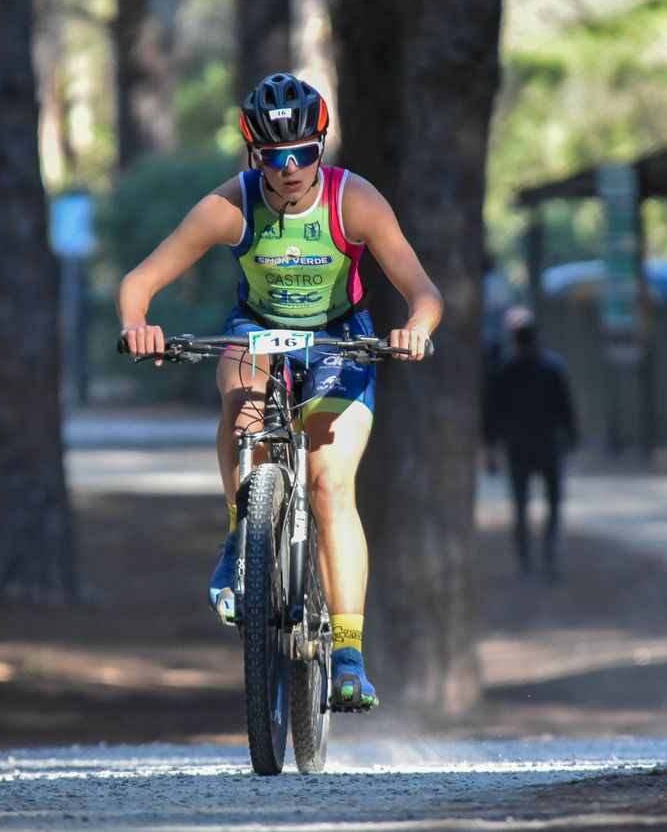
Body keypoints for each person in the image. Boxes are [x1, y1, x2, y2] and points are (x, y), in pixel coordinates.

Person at [118, 72, 441, 711]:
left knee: (327, 484)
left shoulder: (356, 201)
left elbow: (424, 291)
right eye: (274, 156)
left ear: (322, 145)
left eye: (304, 154)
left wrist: (414, 330)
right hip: (258, 330)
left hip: (338, 339)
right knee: (240, 402)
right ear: (253, 155)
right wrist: (138, 326)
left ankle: (348, 655)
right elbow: (141, 280)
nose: (290, 169)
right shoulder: (232, 205)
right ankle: (242, 536)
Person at [483, 309, 578, 581]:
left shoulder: (505, 369)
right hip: (543, 446)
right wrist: (570, 438)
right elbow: (566, 408)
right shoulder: (548, 368)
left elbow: (491, 413)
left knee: (525, 506)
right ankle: (545, 559)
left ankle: (531, 562)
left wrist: (491, 448)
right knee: (549, 504)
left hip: (521, 447)